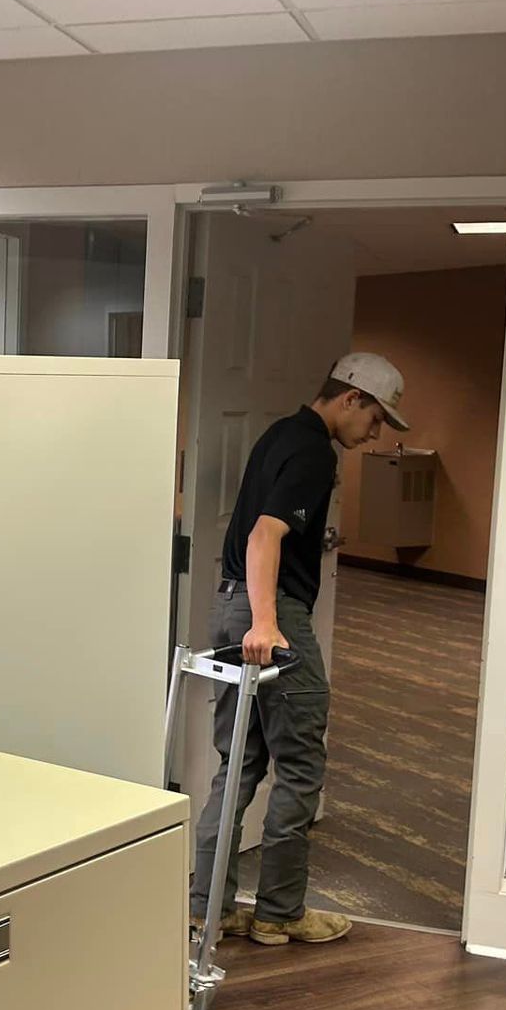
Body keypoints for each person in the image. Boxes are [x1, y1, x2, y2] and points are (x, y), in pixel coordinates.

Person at [190, 352, 410, 945]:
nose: (376, 433)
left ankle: (207, 905)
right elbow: (267, 534)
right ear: (350, 398)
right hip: (270, 614)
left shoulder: (278, 434)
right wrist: (267, 622)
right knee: (301, 767)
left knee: (237, 764)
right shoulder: (314, 451)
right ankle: (278, 913)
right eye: (376, 418)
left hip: (230, 603)